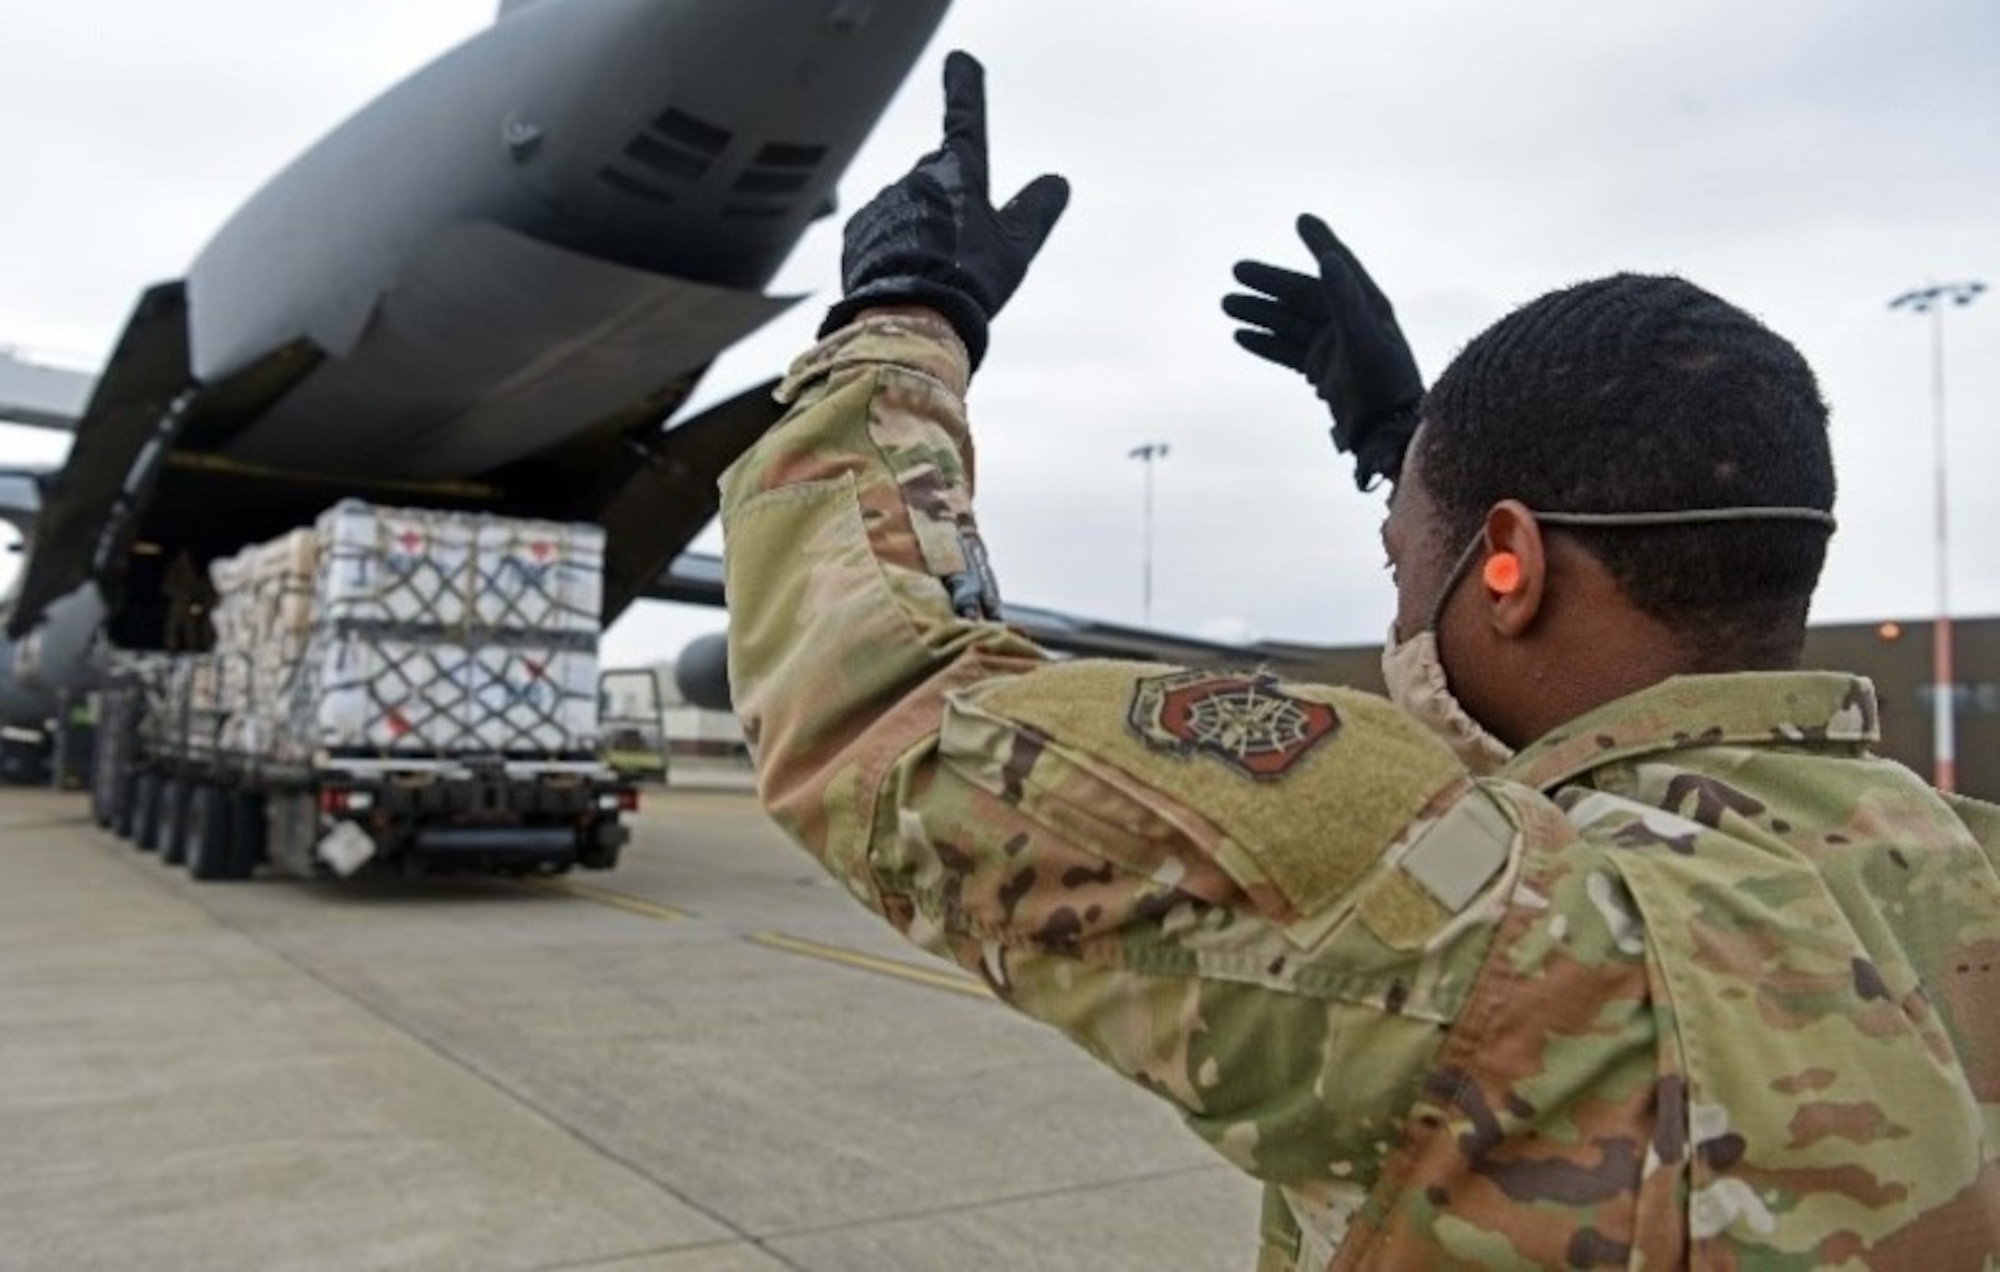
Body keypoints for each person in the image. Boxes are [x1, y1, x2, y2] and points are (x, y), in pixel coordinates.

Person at [718, 51, 2000, 1269]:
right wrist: (1419, 454)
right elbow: (1566, 730)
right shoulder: (1961, 870)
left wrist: (896, 325)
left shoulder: (1505, 946)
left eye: (1402, 572)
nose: (1399, 625)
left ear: (1510, 568)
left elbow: (874, 695)